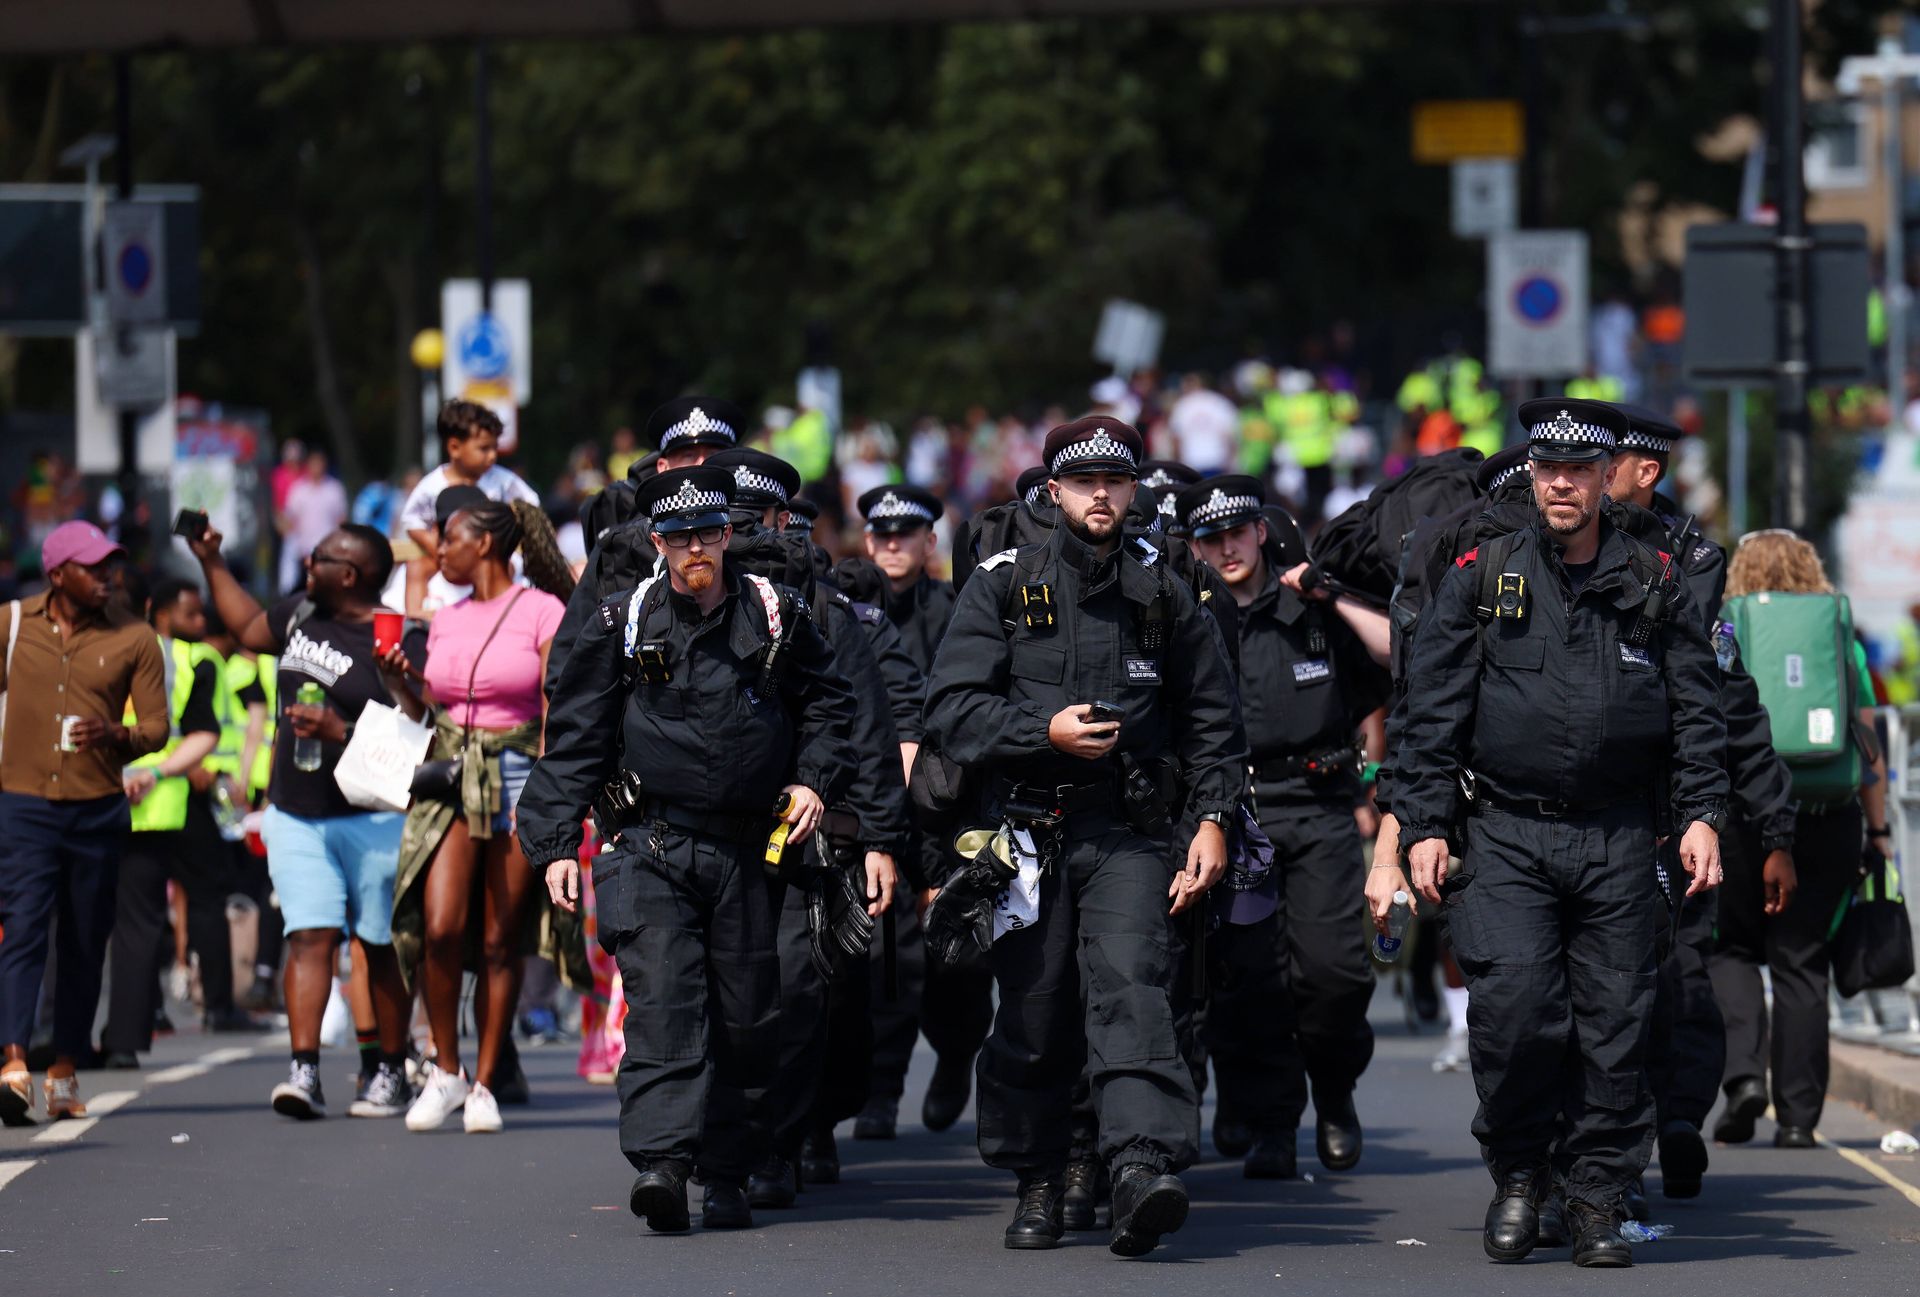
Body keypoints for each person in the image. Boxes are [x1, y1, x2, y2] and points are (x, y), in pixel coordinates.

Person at [1379, 398, 1727, 1268]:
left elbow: (1699, 716)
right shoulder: (1481, 573)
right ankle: (1521, 1176)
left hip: (1617, 836)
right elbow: (1429, 716)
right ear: (1531, 475)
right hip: (1506, 834)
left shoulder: (1654, 580)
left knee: (1614, 1026)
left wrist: (1703, 816)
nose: (1562, 484)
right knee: (1516, 1014)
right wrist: (1420, 826)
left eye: (1579, 470)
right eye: (1547, 469)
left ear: (1608, 476)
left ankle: (1597, 1196)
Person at [922, 416, 1246, 1257]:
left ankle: (1138, 1167)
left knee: (1134, 989)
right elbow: (951, 710)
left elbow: (1214, 719)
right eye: (1084, 481)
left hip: (1128, 830)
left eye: (1116, 480)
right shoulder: (999, 582)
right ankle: (1039, 1176)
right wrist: (1044, 731)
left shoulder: (1167, 589)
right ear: (1055, 491)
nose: (1101, 495)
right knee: (1035, 1014)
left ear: (1134, 489)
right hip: (1027, 830)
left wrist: (1212, 819)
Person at [518, 466, 856, 1234]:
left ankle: (727, 1168)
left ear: (727, 536)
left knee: (744, 1018)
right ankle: (664, 1164)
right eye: (678, 537)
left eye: (707, 532)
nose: (694, 547)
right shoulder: (622, 621)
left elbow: (830, 706)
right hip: (652, 845)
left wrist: (814, 782)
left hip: (747, 851)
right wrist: (553, 844)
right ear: (658, 543)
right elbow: (574, 739)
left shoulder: (776, 614)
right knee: (665, 1001)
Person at [1602, 404, 1799, 1208]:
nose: (1580, 478)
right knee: (1612, 984)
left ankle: (1679, 1117)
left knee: (1682, 975)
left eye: (1603, 462)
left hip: (1673, 816)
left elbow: (1733, 707)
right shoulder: (1551, 550)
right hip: (1592, 812)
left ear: (1644, 471)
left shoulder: (1689, 565)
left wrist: (1776, 829)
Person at [1177, 476, 1390, 1180]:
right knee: (1250, 982)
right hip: (1233, 811)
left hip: (1318, 803)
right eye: (1209, 538)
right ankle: (1275, 1123)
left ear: (1262, 530)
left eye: (1238, 531)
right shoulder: (1186, 615)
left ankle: (1334, 1090)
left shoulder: (1312, 606)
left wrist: (1334, 595)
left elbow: (1395, 657)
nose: (1226, 548)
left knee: (1332, 975)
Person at [190, 519, 424, 1121]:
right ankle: (306, 1070)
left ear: (348, 575)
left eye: (318, 558)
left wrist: (340, 732)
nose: (306, 563)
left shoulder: (397, 637)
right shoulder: (299, 614)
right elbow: (244, 625)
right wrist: (212, 561)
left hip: (371, 818)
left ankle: (390, 1070)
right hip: (296, 812)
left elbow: (421, 733)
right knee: (310, 937)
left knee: (380, 945)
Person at [376, 500, 575, 1133]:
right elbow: (428, 711)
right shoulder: (445, 618)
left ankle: (485, 1081)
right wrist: (403, 685)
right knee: (438, 926)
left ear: (487, 544)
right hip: (452, 780)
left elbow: (556, 711)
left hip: (518, 781)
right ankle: (446, 1069)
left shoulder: (543, 611)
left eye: (449, 541)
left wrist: (552, 801)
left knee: (499, 938)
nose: (439, 554)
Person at [1708, 530, 1885, 1150]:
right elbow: (1867, 739)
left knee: (1729, 948)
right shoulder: (1839, 633)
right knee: (1802, 960)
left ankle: (1742, 1080)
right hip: (1827, 811)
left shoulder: (1726, 621)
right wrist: (1881, 828)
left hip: (1741, 811)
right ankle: (1798, 1118)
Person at [0, 522, 168, 1124]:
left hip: (97, 807)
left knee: (81, 940)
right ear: (57, 575)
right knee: (22, 928)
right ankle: (13, 1065)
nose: (106, 577)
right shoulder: (12, 624)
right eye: (93, 567)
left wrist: (116, 735)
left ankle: (64, 1071)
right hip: (22, 805)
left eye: (109, 566)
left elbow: (157, 728)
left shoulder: (135, 637)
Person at [101, 579, 250, 1065]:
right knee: (190, 904)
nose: (200, 624)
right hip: (175, 796)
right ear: (155, 611)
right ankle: (215, 1006)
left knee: (121, 920)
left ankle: (114, 1029)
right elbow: (204, 730)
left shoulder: (90, 651)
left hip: (107, 797)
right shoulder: (193, 660)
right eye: (190, 615)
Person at [399, 401, 541, 616]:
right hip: (451, 556)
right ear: (455, 447)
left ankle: (500, 612)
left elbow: (531, 507)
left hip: (492, 557)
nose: (492, 455)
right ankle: (416, 619)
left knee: (509, 569)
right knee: (416, 568)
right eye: (484, 448)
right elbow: (412, 521)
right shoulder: (432, 486)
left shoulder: (501, 481)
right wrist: (434, 546)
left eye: (494, 447)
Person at [278, 449, 349, 596]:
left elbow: (341, 518)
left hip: (328, 549)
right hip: (304, 549)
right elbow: (289, 517)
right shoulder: (299, 489)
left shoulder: (334, 489)